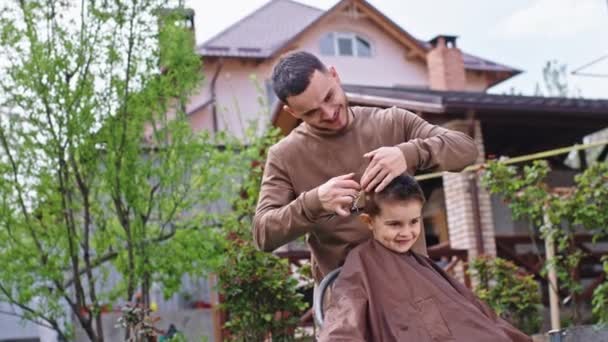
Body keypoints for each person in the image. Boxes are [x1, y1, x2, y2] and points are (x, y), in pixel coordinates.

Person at [253, 51, 478, 282]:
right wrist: (314, 203)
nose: (329, 114)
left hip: (414, 292)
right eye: (312, 112)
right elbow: (263, 234)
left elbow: (466, 150)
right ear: (292, 112)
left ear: (334, 76)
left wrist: (408, 153)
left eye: (329, 97)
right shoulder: (285, 156)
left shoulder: (392, 122)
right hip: (346, 303)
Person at [318, 175, 531, 342]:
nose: (407, 232)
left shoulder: (422, 263)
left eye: (414, 222)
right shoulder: (361, 264)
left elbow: (474, 312)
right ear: (369, 221)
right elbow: (344, 322)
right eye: (394, 224)